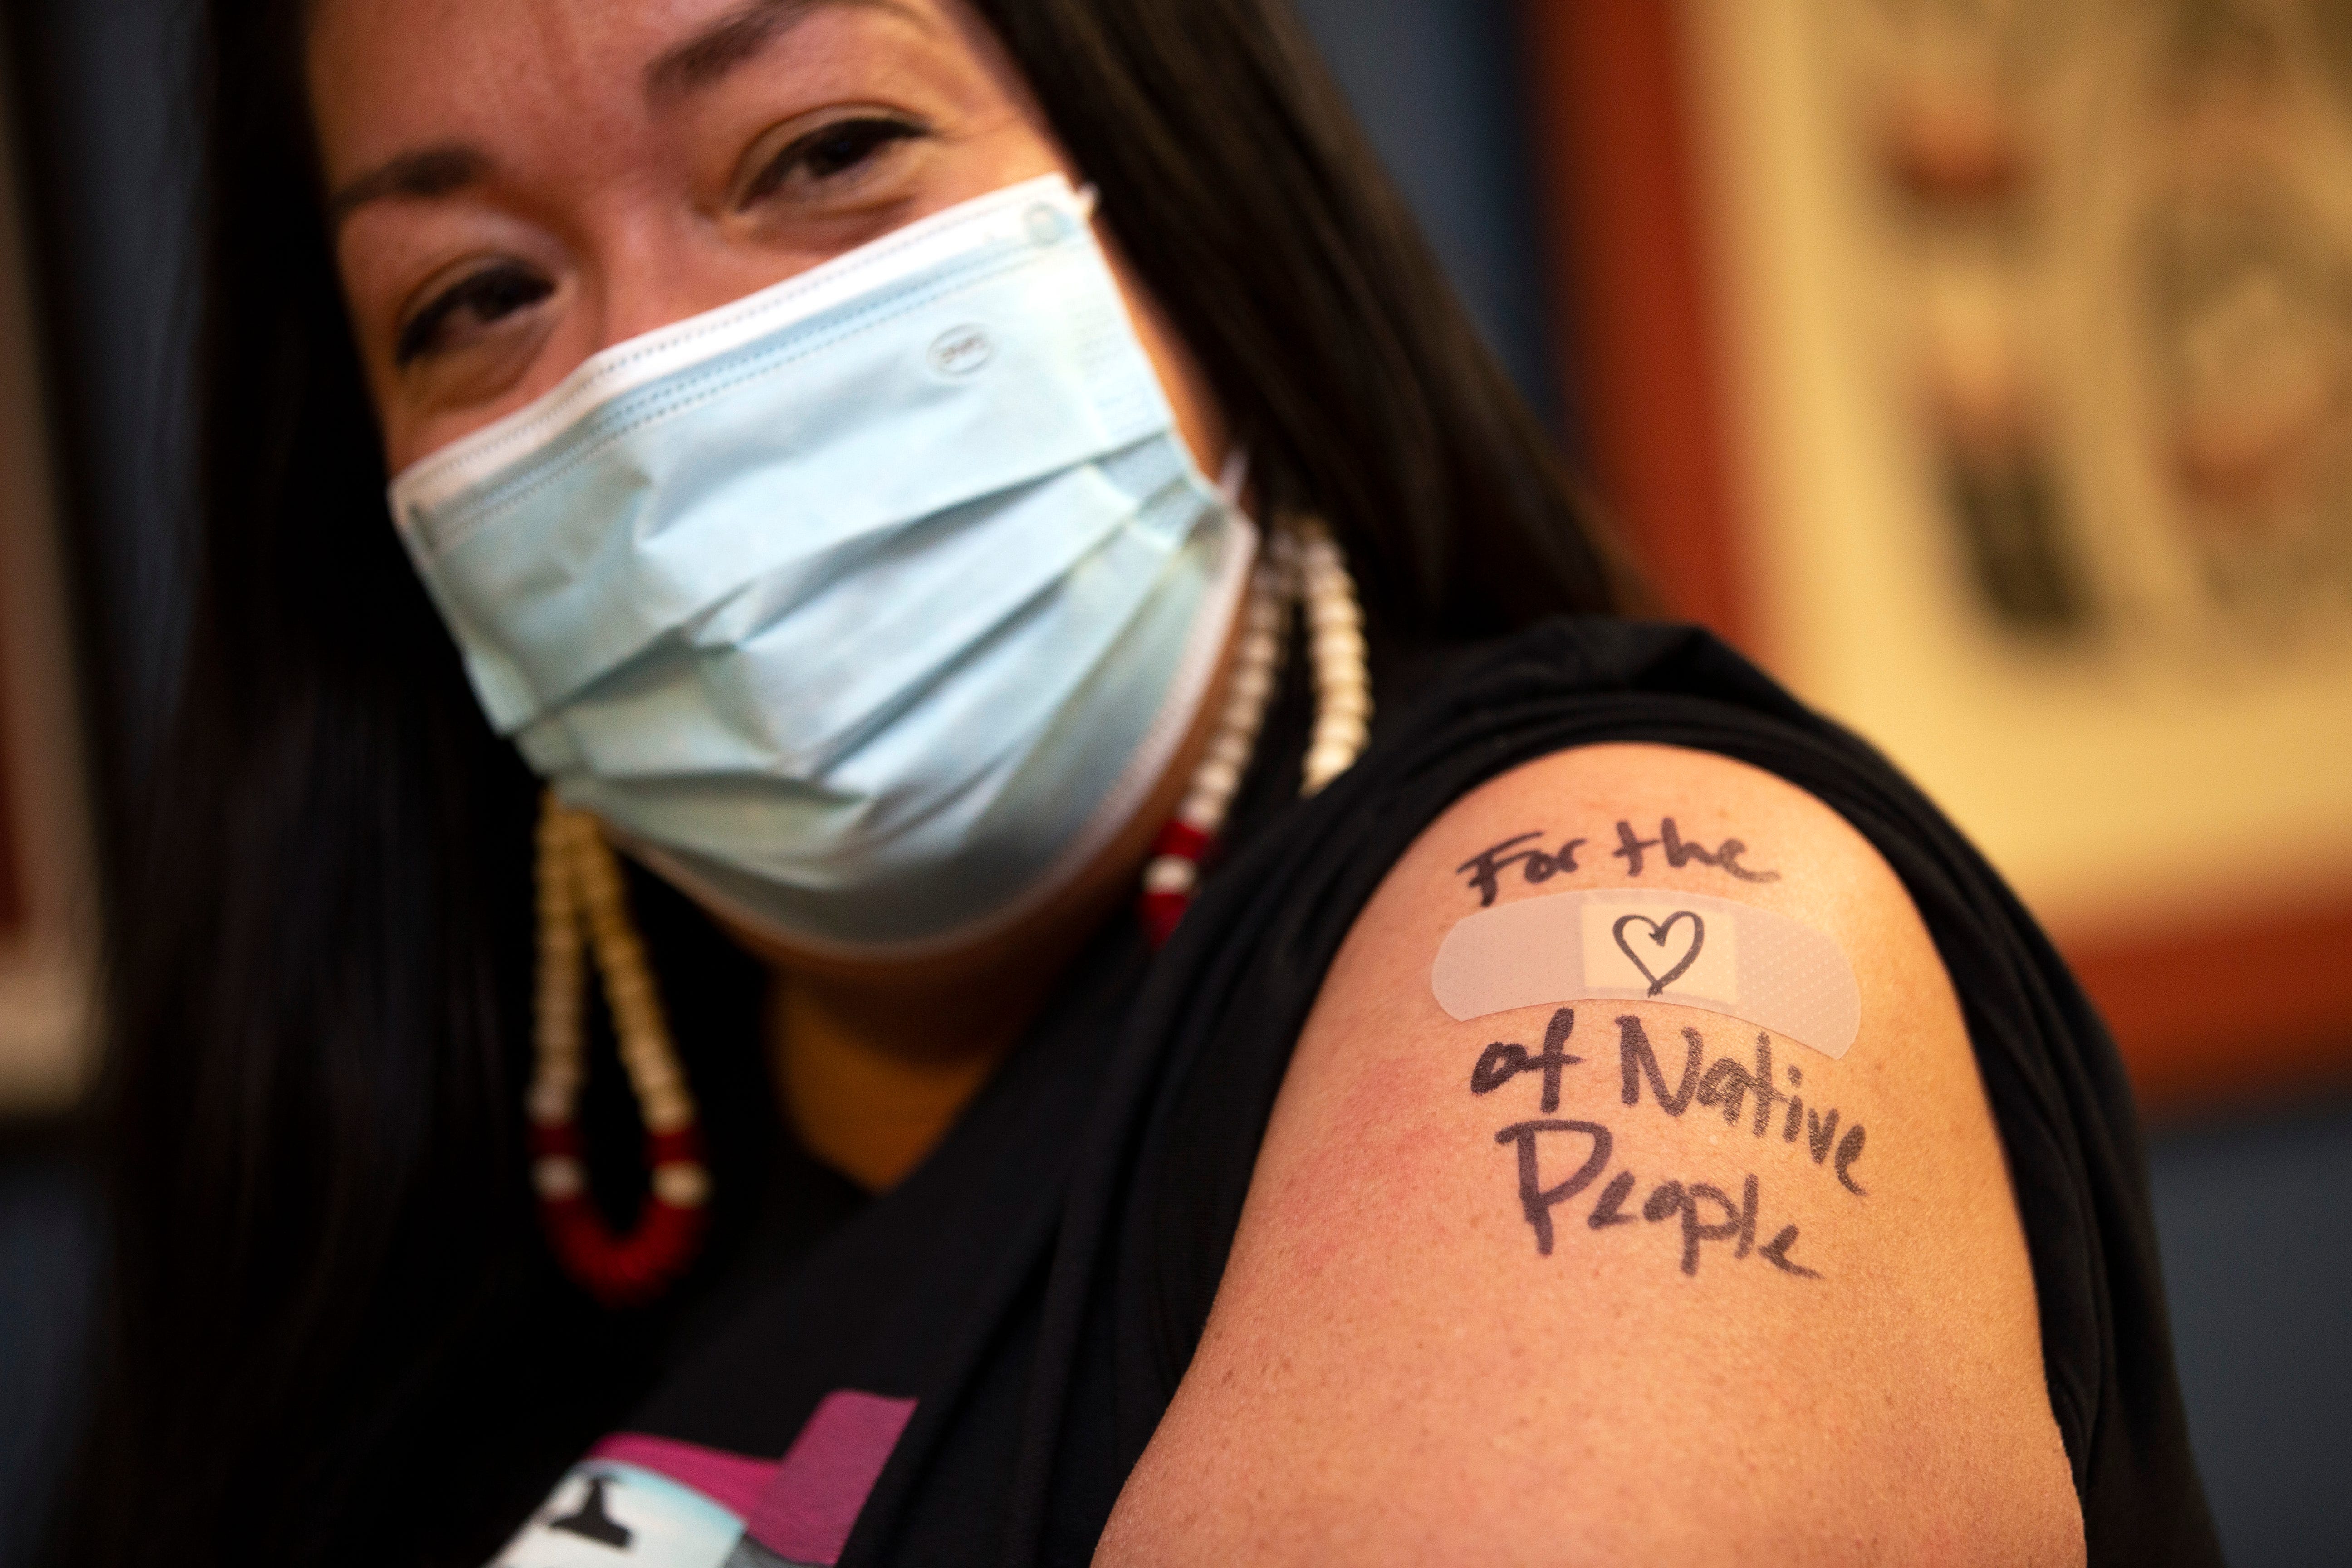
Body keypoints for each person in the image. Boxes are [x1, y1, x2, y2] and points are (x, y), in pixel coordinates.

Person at [56, 1, 2217, 1564]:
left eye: (820, 153)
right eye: (477, 294)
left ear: (1179, 196)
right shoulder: (358, 1224)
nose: (643, 394)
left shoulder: (1638, 924)